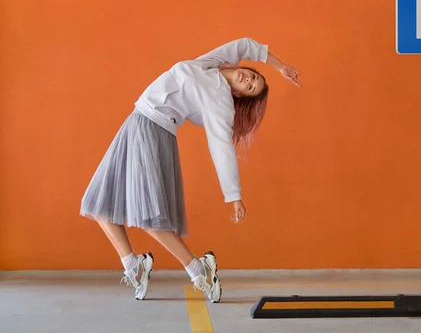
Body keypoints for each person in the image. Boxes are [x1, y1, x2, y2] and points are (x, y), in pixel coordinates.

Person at [79, 37, 301, 302]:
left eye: (251, 88)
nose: (249, 81)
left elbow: (221, 147)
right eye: (253, 77)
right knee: (99, 204)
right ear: (249, 70)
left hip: (154, 130)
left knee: (150, 217)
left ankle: (199, 272)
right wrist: (280, 66)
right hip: (136, 120)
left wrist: (234, 195)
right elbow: (245, 44)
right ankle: (133, 266)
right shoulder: (212, 64)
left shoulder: (221, 102)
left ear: (240, 96)